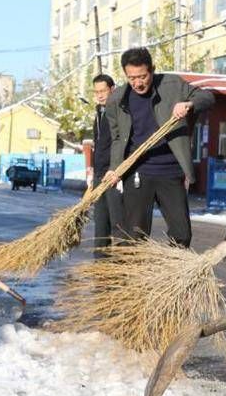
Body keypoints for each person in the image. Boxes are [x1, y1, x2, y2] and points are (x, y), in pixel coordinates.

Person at [104, 48, 214, 247]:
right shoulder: (117, 99)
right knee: (134, 238)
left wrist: (188, 104)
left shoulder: (172, 85)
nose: (138, 83)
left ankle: (172, 275)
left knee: (182, 235)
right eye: (132, 78)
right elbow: (118, 138)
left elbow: (207, 97)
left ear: (152, 70)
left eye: (143, 76)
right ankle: (137, 276)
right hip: (137, 173)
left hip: (171, 172)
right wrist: (114, 167)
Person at [90, 74, 124, 257]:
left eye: (103, 91)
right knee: (100, 221)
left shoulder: (121, 112)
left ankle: (120, 264)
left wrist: (116, 169)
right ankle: (100, 263)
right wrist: (93, 174)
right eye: (96, 92)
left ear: (112, 89)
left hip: (114, 174)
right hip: (99, 175)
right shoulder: (99, 113)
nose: (100, 95)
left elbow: (121, 143)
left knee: (117, 222)